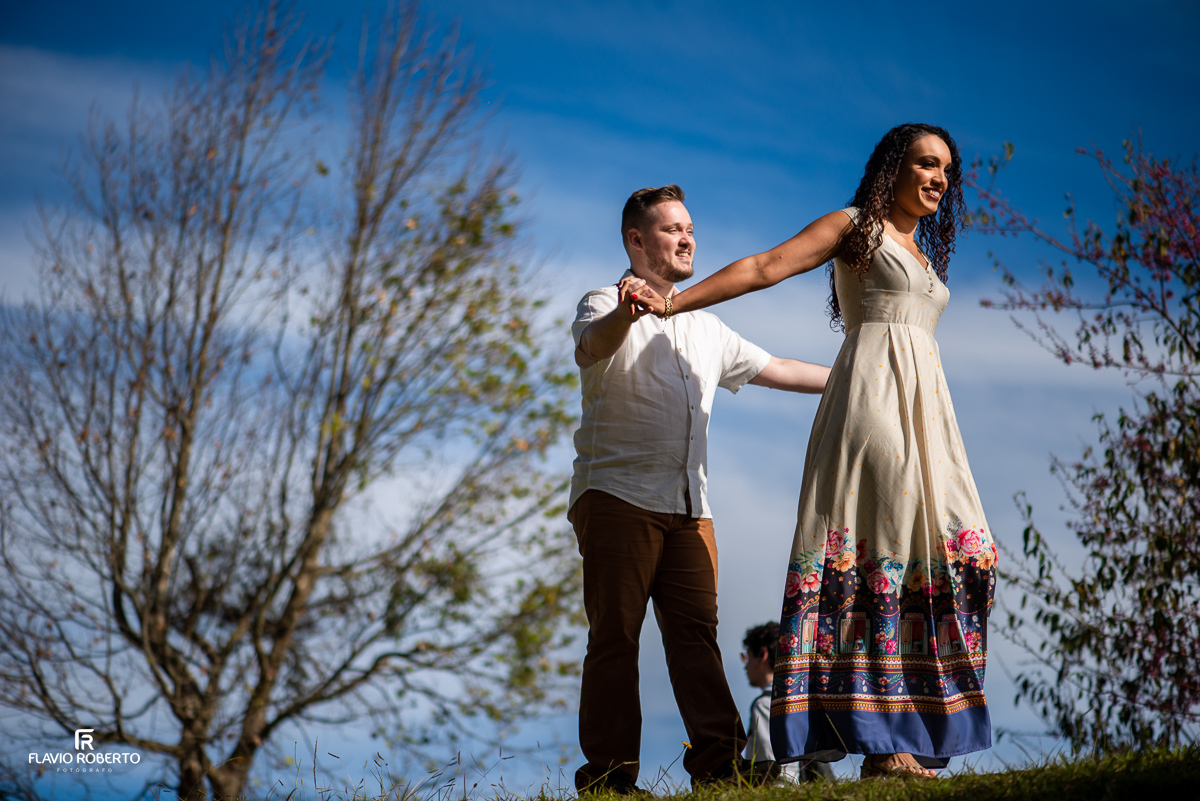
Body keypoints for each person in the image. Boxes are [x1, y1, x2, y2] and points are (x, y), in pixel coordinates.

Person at [633, 125, 997, 779]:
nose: (939, 177)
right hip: (873, 406)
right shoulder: (856, 225)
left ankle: (906, 725)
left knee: (964, 553)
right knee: (882, 554)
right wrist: (674, 302)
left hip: (928, 420)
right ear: (895, 166)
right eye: (925, 162)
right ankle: (887, 745)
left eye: (947, 167)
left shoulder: (919, 252)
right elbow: (765, 266)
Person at [569, 185, 830, 793]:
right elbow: (592, 345)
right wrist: (625, 314)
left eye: (690, 227)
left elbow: (783, 370)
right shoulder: (603, 301)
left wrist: (865, 373)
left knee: (697, 640)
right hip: (616, 497)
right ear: (636, 240)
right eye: (671, 229)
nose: (688, 238)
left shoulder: (710, 328)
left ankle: (720, 769)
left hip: (690, 511)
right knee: (615, 638)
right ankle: (610, 779)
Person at [741, 622, 837, 783]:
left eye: (747, 656)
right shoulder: (802, 703)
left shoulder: (765, 704)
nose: (745, 666)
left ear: (762, 655)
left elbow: (775, 767)